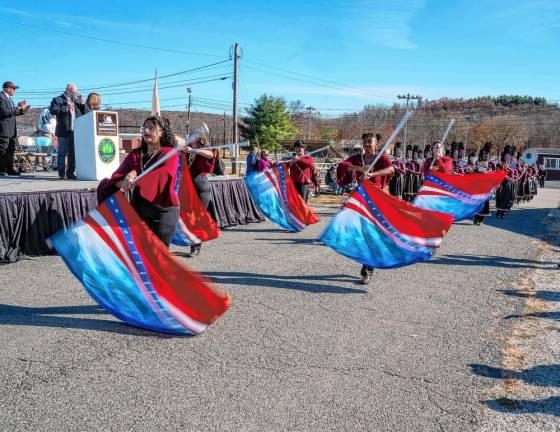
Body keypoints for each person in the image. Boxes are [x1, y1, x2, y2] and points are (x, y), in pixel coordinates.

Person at [97, 116, 179, 246]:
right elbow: (117, 177)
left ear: (161, 132)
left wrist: (138, 181)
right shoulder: (135, 154)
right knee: (139, 256)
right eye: (144, 128)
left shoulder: (169, 154)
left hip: (163, 212)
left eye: (151, 128)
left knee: (156, 258)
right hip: (139, 212)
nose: (146, 131)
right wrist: (125, 181)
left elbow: (164, 175)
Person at [336, 132, 395, 285]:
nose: (368, 144)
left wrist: (372, 173)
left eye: (370, 142)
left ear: (376, 144)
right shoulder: (358, 158)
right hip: (360, 199)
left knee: (370, 234)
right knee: (359, 233)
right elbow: (343, 166)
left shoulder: (381, 158)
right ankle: (367, 261)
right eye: (365, 142)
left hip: (375, 200)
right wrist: (360, 168)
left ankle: (368, 268)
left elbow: (391, 170)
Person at [185, 133, 215, 257]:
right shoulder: (188, 150)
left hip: (201, 186)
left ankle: (196, 246)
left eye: (193, 138)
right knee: (189, 216)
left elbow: (211, 154)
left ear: (198, 139)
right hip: (189, 186)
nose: (190, 140)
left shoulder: (202, 150)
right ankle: (192, 242)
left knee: (198, 217)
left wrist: (194, 150)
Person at [50, 83, 86, 179]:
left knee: (73, 153)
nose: (75, 94)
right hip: (63, 131)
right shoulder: (57, 99)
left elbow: (85, 112)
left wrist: (82, 102)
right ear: (68, 90)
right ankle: (61, 174)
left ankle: (70, 173)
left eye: (75, 92)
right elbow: (53, 111)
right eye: (73, 92)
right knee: (62, 153)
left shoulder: (76, 101)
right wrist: (66, 108)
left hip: (75, 131)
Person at [0, 81, 30, 176]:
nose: (14, 91)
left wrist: (22, 110)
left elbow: (12, 113)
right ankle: (1, 170)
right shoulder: (1, 97)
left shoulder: (9, 99)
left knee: (11, 150)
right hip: (4, 129)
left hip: (11, 130)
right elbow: (4, 112)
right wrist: (18, 107)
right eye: (14, 89)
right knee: (3, 150)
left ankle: (10, 169)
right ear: (7, 89)